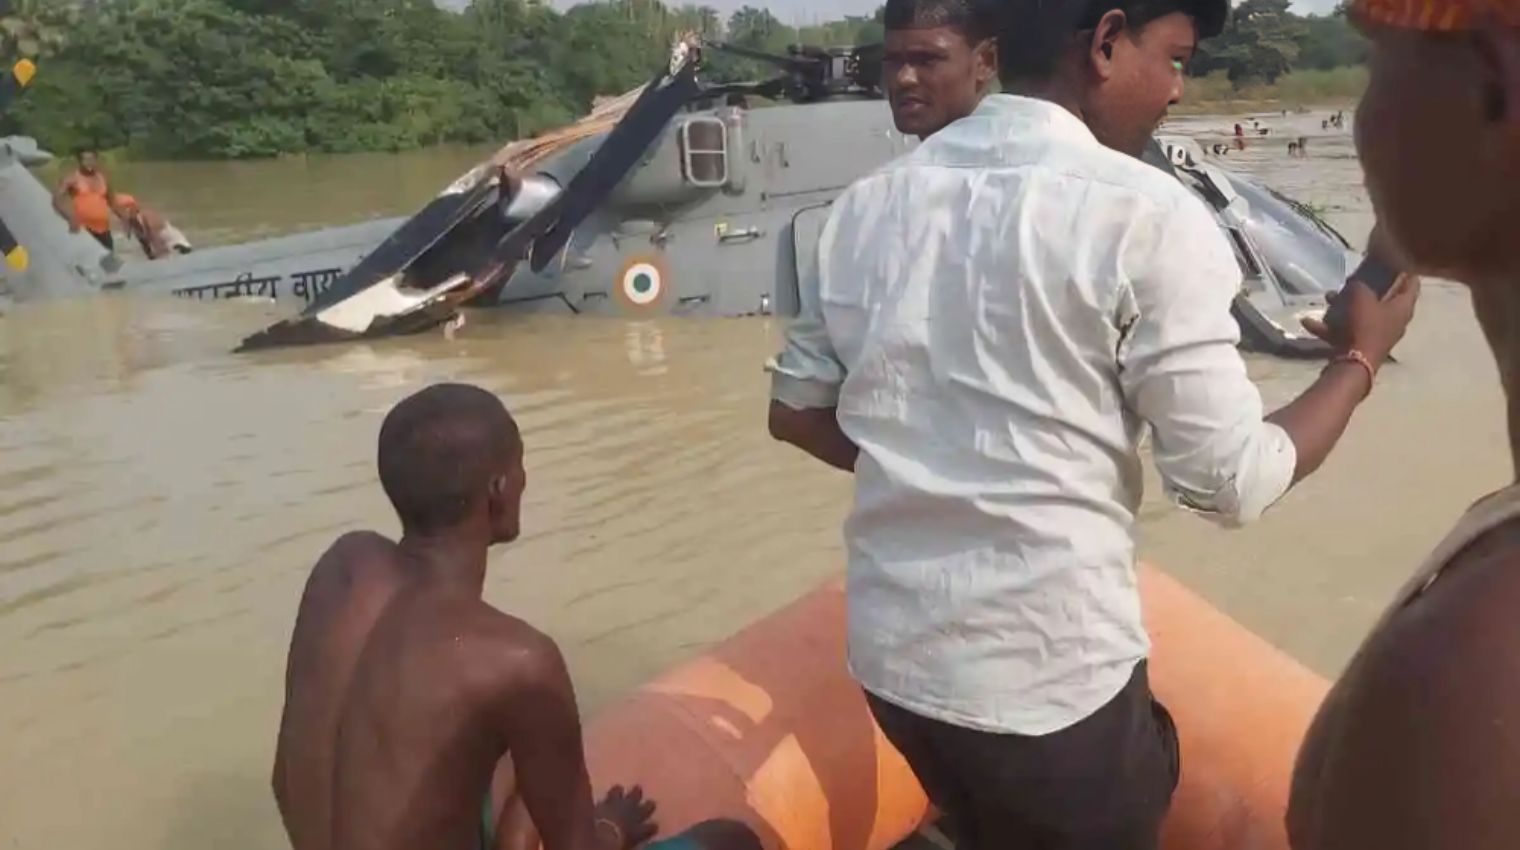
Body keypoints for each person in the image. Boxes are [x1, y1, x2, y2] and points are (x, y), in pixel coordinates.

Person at [764, 0, 1420, 845]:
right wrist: (1358, 362)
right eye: (1176, 59)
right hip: (1044, 690)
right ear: (1106, 43)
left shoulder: (863, 207)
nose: (1178, 91)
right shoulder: (1146, 214)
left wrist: (943, 467)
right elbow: (1230, 484)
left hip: (895, 664)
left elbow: (797, 410)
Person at [273, 383, 759, 850]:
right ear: (499, 490)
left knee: (510, 751)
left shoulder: (343, 567)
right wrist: (608, 828)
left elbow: (285, 780)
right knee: (732, 841)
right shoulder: (518, 661)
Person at [1287, 5, 1520, 849]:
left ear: (1494, 85)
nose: (1364, 115)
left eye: (1375, 58)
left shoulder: (1475, 683)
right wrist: (1396, 248)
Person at [881, 0, 1000, 139]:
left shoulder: (1012, 156)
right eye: (893, 61)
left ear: (985, 62)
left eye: (926, 60)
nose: (904, 78)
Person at [52, 149, 116, 251]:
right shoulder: (72, 179)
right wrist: (70, 217)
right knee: (86, 263)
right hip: (84, 230)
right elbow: (56, 199)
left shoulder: (103, 178)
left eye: (91, 159)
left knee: (109, 262)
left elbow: (113, 202)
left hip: (104, 230)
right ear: (80, 162)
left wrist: (127, 220)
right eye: (85, 160)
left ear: (96, 161)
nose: (88, 163)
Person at [114, 194, 193, 259]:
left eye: (125, 209)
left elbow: (154, 236)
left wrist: (159, 255)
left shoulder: (147, 216)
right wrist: (151, 257)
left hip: (177, 244)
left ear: (134, 208)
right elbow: (144, 243)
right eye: (118, 210)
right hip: (162, 250)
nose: (122, 213)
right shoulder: (129, 224)